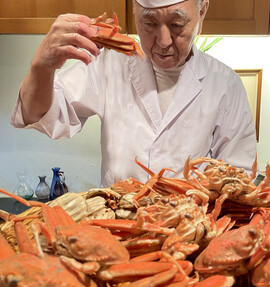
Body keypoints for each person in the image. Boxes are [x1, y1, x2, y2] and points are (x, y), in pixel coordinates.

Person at [11, 0, 257, 188]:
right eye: (149, 24)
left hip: (192, 235)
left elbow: (240, 177)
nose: (162, 41)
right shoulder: (110, 64)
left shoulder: (226, 85)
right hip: (118, 233)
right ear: (135, 14)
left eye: (177, 25)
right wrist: (42, 65)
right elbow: (37, 115)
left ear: (202, 10)